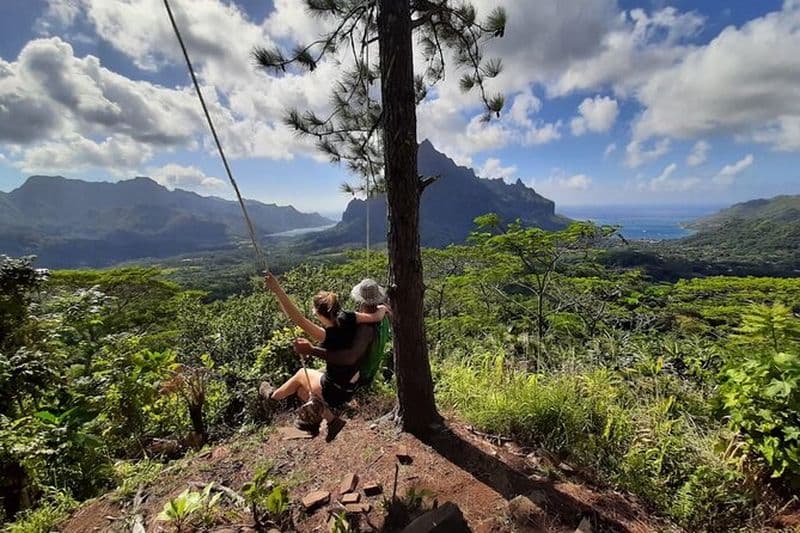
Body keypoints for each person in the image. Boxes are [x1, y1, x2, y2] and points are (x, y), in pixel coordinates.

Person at [260, 273, 388, 440]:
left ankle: (273, 396)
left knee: (300, 374)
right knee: (301, 391)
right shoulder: (350, 317)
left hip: (336, 390)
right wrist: (383, 309)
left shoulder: (327, 335)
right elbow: (374, 316)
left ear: (318, 313)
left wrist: (277, 290)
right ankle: (330, 422)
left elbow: (297, 318)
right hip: (351, 383)